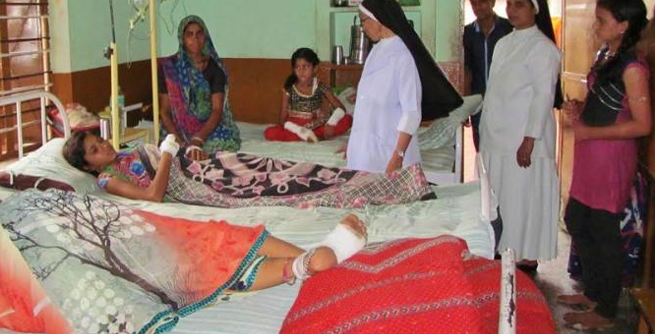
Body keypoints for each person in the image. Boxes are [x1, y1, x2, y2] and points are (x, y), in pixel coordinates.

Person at [0, 178, 366, 334]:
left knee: (111, 282)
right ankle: (297, 255)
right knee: (156, 240)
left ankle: (295, 270)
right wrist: (20, 201)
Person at [558, 0, 650, 330]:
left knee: (603, 230)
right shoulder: (606, 55)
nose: (595, 26)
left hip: (610, 157)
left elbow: (642, 124)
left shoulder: (633, 67)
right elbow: (604, 107)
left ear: (623, 25)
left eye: (602, 20)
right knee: (577, 219)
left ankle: (606, 310)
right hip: (591, 153)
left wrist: (588, 132)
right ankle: (594, 291)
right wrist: (579, 110)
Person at [63, 130, 434, 208]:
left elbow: (174, 161)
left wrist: (188, 153)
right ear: (88, 166)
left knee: (283, 165)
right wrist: (167, 155)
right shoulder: (112, 180)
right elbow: (154, 195)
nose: (106, 147)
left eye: (101, 140)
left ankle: (391, 181)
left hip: (207, 169)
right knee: (280, 187)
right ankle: (395, 189)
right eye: (96, 150)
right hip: (195, 188)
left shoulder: (127, 151)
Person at [478, 0, 562, 271]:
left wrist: (530, 139)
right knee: (502, 196)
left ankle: (525, 254)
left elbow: (543, 96)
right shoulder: (504, 42)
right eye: (509, 4)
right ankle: (504, 248)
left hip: (523, 138)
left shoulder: (543, 48)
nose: (511, 10)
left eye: (519, 5)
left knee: (523, 197)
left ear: (535, 10)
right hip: (498, 136)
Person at [346, 0, 462, 174]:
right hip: (367, 152)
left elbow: (411, 113)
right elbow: (368, 106)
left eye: (363, 21)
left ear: (379, 19)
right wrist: (355, 143)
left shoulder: (403, 56)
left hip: (390, 155)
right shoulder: (376, 50)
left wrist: (398, 155)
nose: (362, 27)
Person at [159, 15, 240, 161]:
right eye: (189, 34)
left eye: (199, 33)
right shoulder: (169, 68)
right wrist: (178, 140)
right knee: (169, 147)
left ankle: (196, 153)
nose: (195, 39)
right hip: (177, 128)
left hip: (207, 127)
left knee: (222, 144)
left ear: (205, 36)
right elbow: (165, 112)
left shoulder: (216, 69)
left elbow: (217, 110)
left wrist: (198, 139)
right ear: (182, 38)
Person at [264, 47, 352, 142]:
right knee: (269, 132)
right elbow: (282, 120)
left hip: (316, 126)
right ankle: (310, 137)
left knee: (348, 119)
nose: (301, 71)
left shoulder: (321, 87)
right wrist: (299, 130)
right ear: (293, 69)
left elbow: (341, 108)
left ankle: (312, 136)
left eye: (305, 66)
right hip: (295, 129)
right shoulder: (288, 88)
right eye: (297, 67)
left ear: (315, 68)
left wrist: (331, 123)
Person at [463, 0, 513, 149]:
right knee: (481, 146)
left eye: (483, 1)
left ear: (492, 1)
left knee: (505, 146)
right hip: (479, 100)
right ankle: (485, 176)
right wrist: (466, 105)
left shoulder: (509, 29)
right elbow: (467, 70)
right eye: (474, 3)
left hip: (506, 100)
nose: (478, 7)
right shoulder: (468, 33)